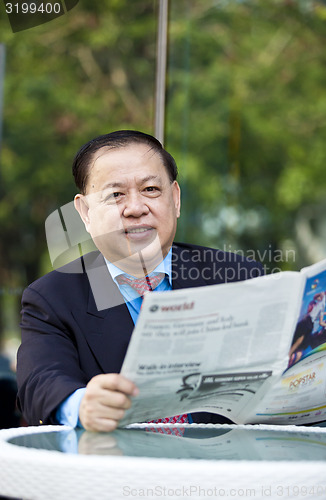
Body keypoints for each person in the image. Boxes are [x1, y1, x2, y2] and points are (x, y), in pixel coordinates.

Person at [17, 130, 264, 432]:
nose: (135, 208)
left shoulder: (237, 278)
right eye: (115, 195)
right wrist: (81, 405)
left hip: (223, 468)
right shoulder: (52, 298)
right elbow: (39, 381)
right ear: (85, 212)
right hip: (116, 470)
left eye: (150, 189)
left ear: (175, 199)